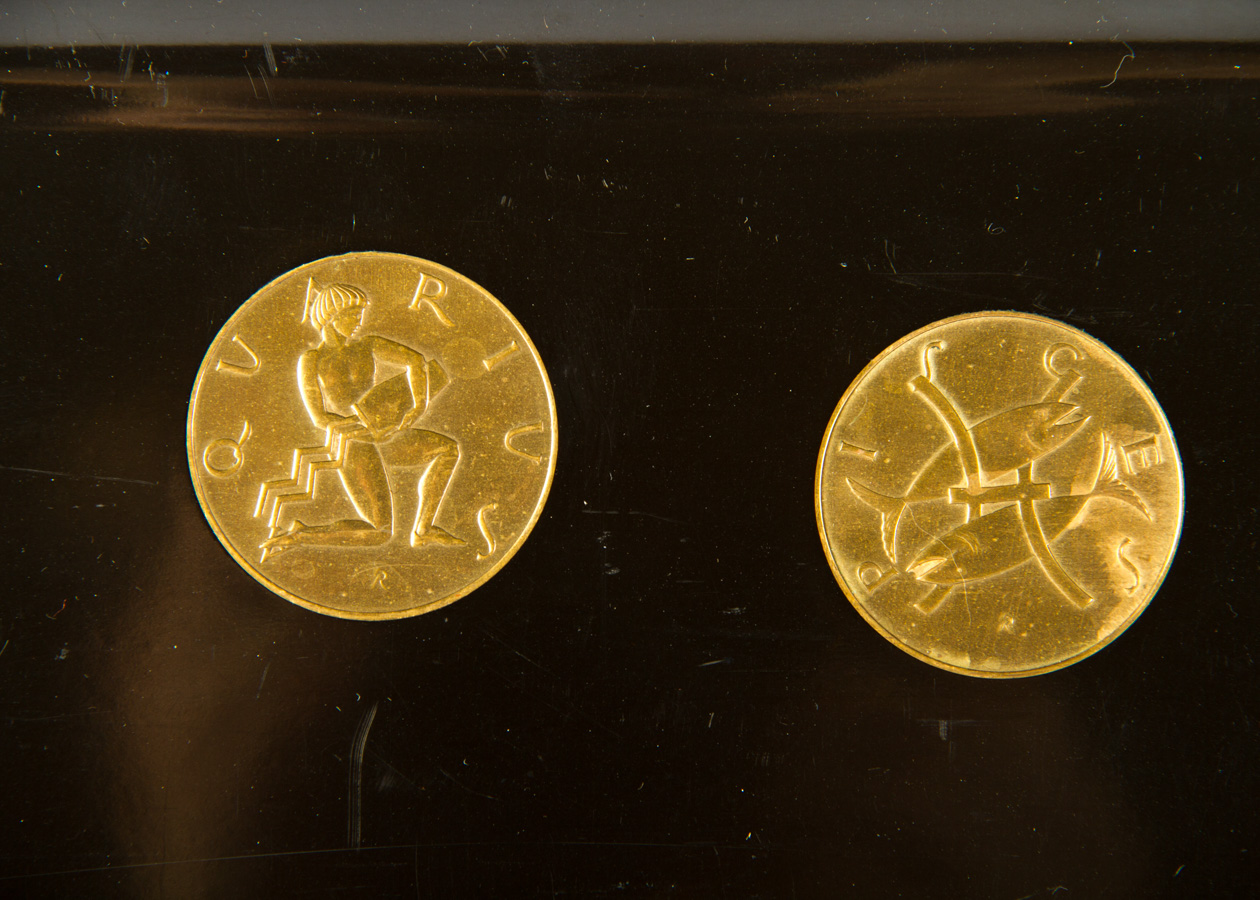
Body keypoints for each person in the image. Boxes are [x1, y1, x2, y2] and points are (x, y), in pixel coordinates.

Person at [262, 282, 462, 554]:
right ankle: (300, 535)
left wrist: (418, 406)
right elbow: (319, 418)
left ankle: (423, 530)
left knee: (448, 449)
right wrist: (360, 427)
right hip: (352, 443)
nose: (359, 322)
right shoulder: (313, 359)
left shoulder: (369, 345)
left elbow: (416, 361)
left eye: (360, 315)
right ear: (331, 316)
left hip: (381, 431)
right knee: (379, 533)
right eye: (353, 315)